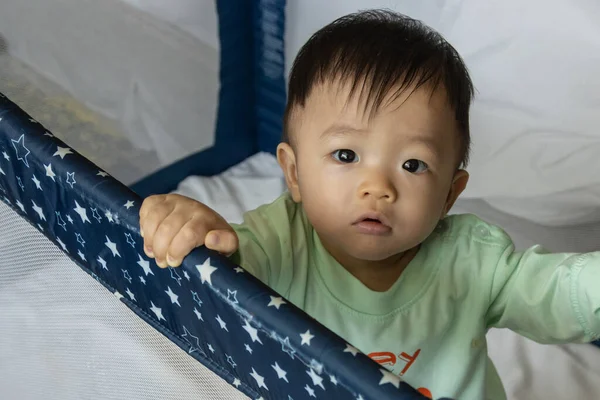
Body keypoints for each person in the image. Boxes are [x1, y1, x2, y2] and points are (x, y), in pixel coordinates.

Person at [138, 9, 600, 399]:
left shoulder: (472, 262)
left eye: (414, 165)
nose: (377, 187)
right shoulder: (280, 242)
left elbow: (557, 292)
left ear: (449, 195)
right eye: (346, 155)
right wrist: (195, 228)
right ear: (294, 172)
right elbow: (228, 266)